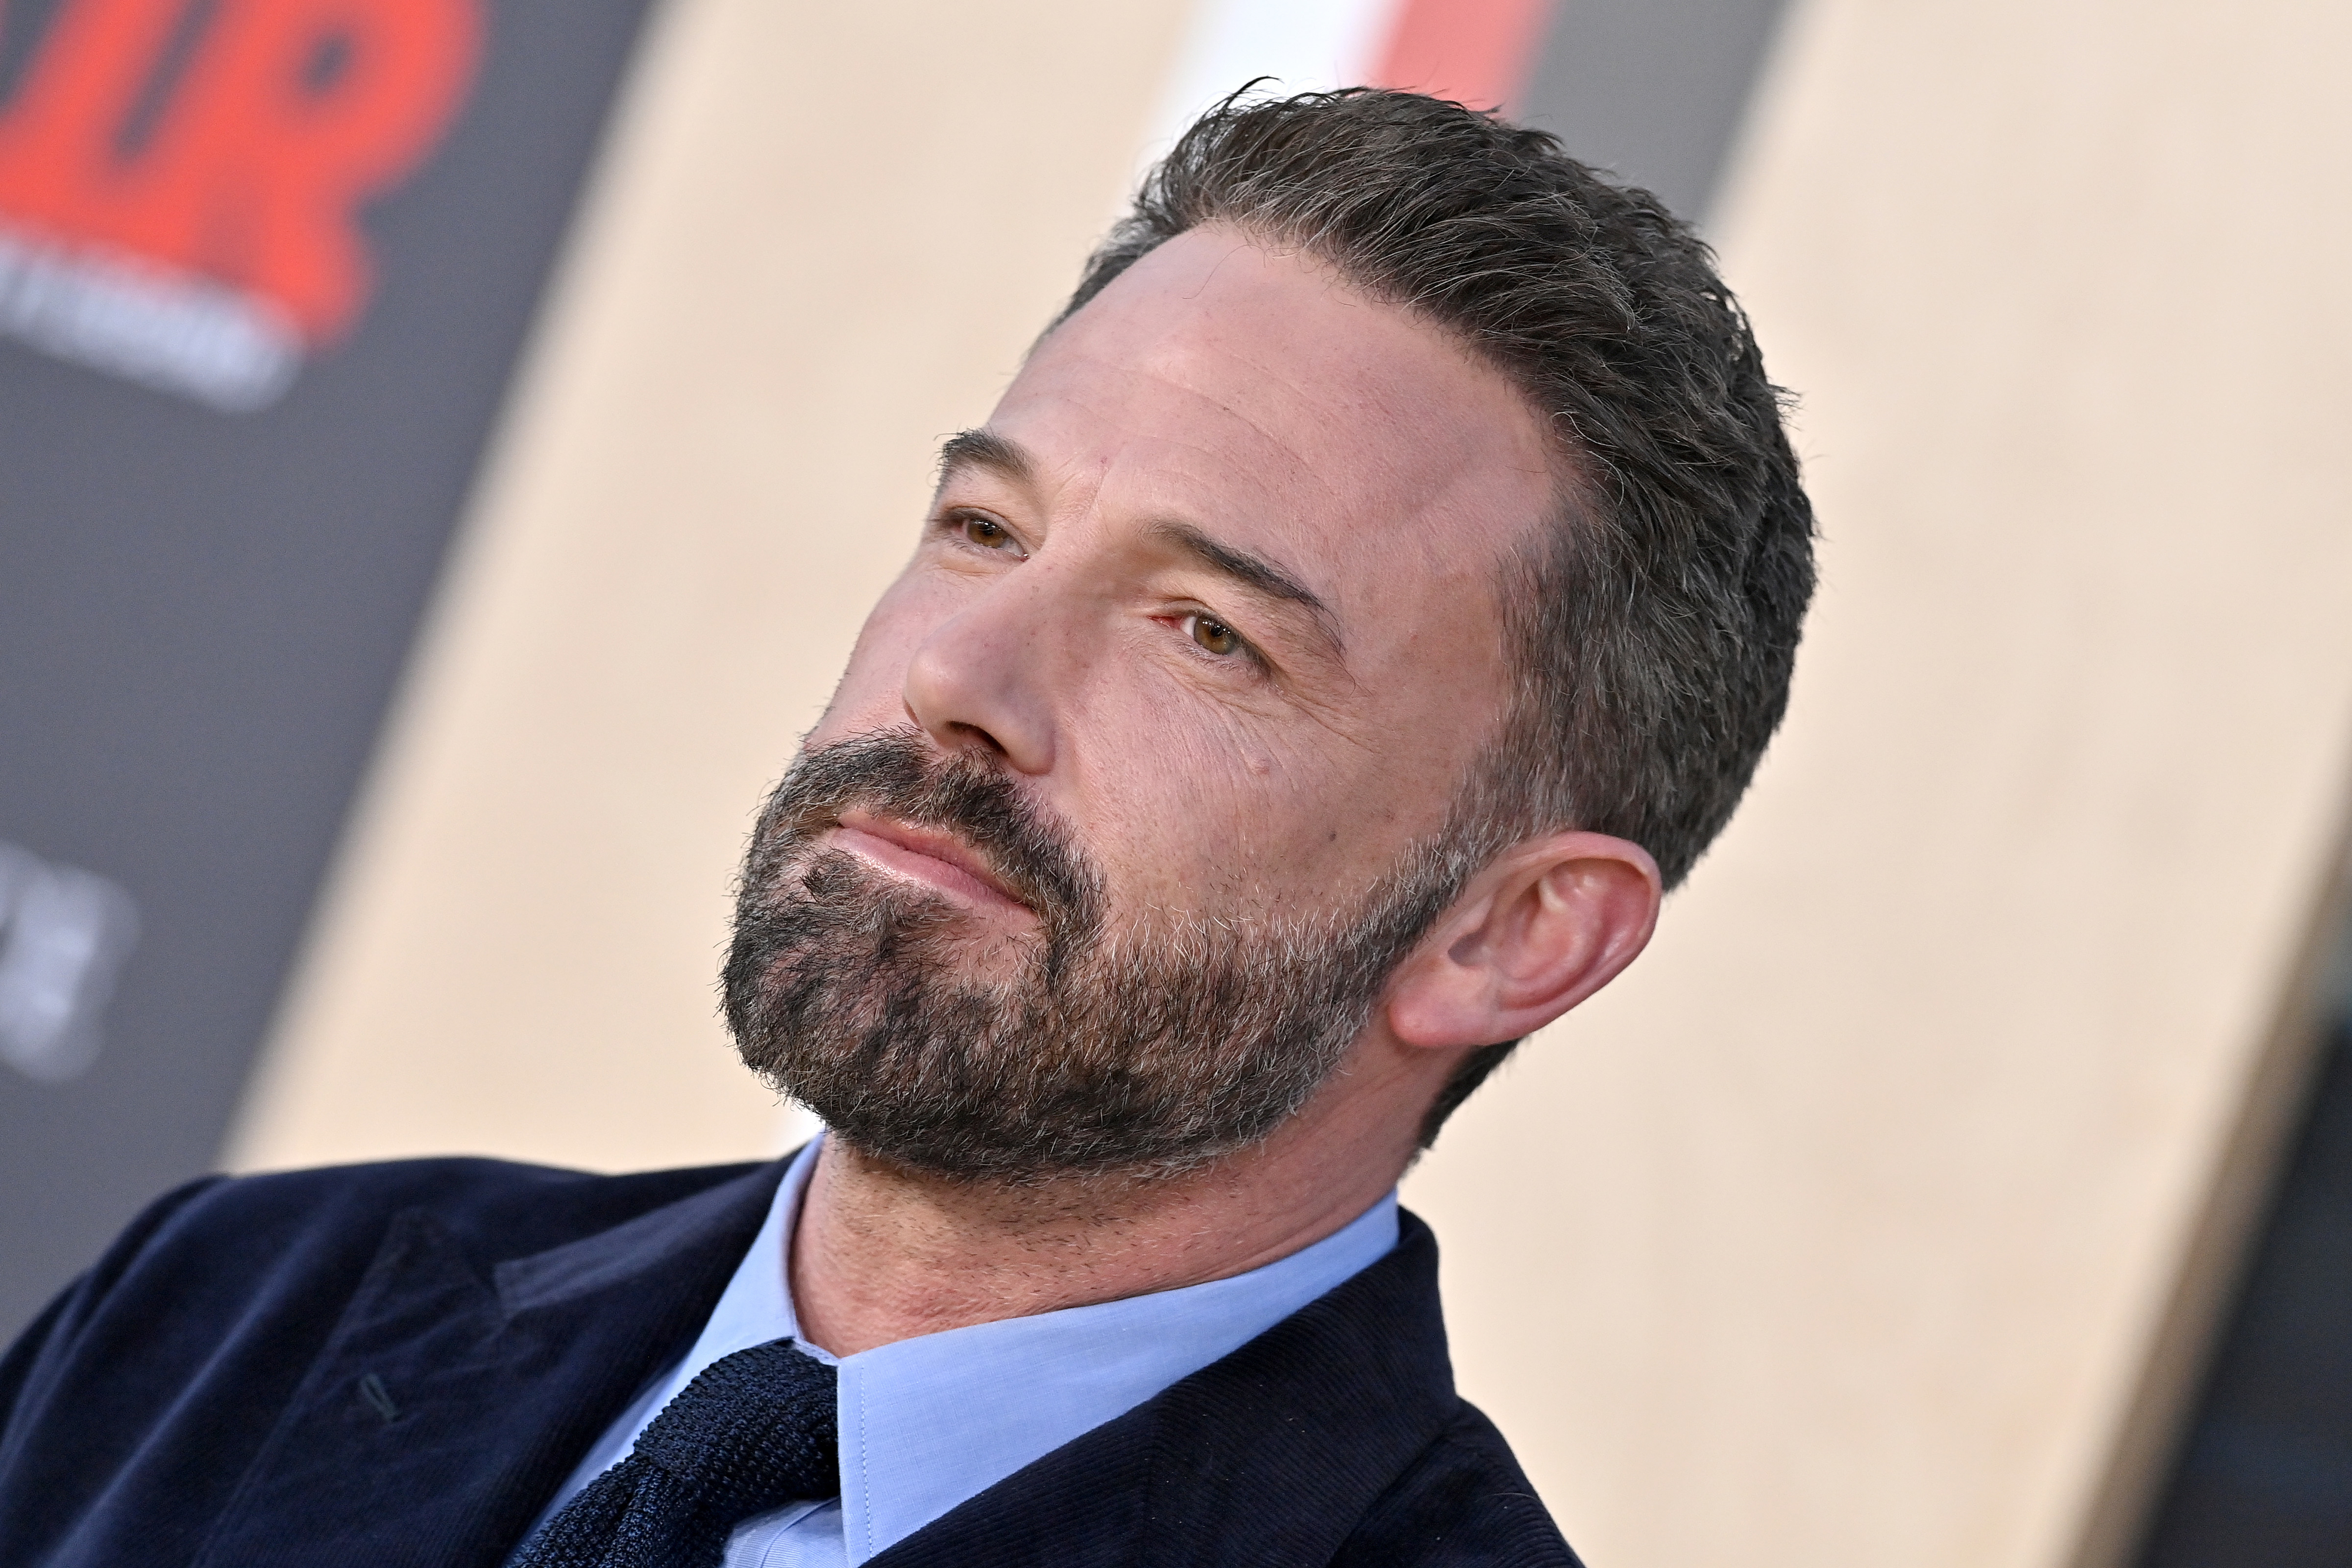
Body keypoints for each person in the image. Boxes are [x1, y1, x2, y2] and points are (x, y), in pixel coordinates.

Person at [0, 88, 1813, 1567]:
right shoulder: (240, 1312)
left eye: (1209, 634)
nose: (961, 677)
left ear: (1513, 933)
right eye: (985, 529)